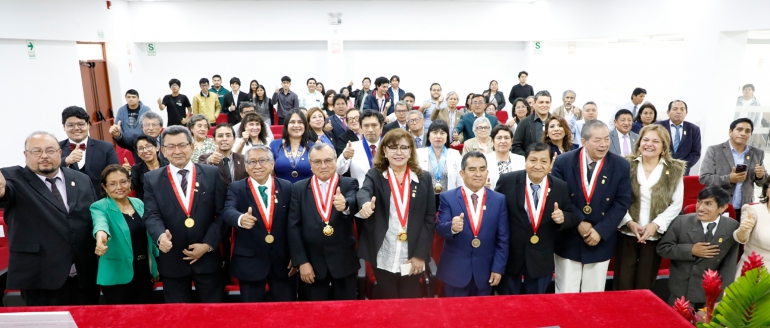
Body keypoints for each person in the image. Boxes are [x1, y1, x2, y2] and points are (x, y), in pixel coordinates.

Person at [0, 131, 100, 306]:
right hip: (41, 278)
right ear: (25, 154)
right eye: (36, 151)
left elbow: (93, 215)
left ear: (60, 153)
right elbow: (5, 193)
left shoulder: (81, 179)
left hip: (85, 277)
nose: (44, 156)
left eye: (50, 150)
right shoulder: (13, 178)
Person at [143, 126, 226, 303]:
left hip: (207, 259)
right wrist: (160, 236)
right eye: (171, 146)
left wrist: (207, 245)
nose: (177, 151)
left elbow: (222, 214)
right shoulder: (152, 178)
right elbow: (151, 215)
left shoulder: (211, 174)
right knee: (178, 315)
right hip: (173, 259)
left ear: (192, 146)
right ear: (163, 150)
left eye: (182, 145)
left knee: (213, 313)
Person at [551, 120, 632, 293]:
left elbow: (622, 202)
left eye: (606, 139)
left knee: (593, 295)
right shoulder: (564, 162)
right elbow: (559, 197)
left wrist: (600, 231)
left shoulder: (621, 165)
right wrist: (579, 222)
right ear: (584, 141)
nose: (603, 144)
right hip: (569, 236)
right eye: (597, 140)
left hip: (600, 238)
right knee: (566, 292)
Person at [357, 129, 436, 299]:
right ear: (384, 151)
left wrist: (420, 255)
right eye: (393, 147)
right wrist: (365, 204)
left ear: (411, 151)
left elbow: (429, 219)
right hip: (383, 251)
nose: (398, 152)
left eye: (404, 147)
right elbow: (364, 192)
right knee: (387, 298)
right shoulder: (375, 175)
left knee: (410, 298)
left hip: (412, 252)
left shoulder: (424, 178)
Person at [219, 145, 297, 302]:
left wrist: (296, 256)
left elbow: (294, 223)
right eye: (252, 162)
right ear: (246, 166)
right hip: (250, 262)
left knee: (286, 310)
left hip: (283, 261)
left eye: (262, 160)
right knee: (251, 312)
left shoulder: (287, 187)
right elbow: (227, 210)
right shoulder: (236, 188)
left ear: (272, 164)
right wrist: (241, 219)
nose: (257, 166)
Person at [496, 142, 574, 294]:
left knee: (536, 304)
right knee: (508, 303)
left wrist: (562, 217)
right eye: (533, 160)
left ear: (551, 163)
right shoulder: (507, 181)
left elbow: (571, 214)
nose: (538, 166)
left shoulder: (560, 187)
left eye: (543, 161)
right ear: (525, 161)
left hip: (541, 258)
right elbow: (496, 212)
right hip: (511, 256)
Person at [614, 124, 685, 291]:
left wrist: (655, 225)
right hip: (627, 232)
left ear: (664, 146)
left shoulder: (674, 169)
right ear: (639, 142)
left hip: (655, 235)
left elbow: (676, 204)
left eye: (655, 141)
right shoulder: (625, 164)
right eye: (645, 140)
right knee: (622, 280)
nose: (649, 144)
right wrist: (629, 222)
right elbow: (615, 197)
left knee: (645, 283)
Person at [287, 143, 360, 300]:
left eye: (328, 160)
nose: (323, 166)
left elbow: (354, 200)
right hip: (311, 264)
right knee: (314, 312)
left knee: (347, 311)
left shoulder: (349, 183)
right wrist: (302, 262)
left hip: (343, 262)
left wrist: (345, 205)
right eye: (317, 161)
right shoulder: (298, 188)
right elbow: (293, 227)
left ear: (336, 160)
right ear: (310, 164)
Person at [436, 151, 509, 296]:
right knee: (455, 310)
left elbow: (503, 239)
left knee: (483, 311)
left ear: (487, 172)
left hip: (486, 272)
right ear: (462, 173)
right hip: (455, 272)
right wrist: (452, 227)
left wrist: (498, 268)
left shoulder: (499, 200)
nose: (478, 174)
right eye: (472, 169)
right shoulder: (448, 197)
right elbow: (440, 228)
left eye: (482, 169)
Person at [657, 186, 740, 307]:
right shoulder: (680, 222)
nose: (700, 208)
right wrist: (691, 250)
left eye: (708, 204)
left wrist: (721, 295)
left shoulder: (732, 227)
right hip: (681, 291)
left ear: (722, 208)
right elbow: (663, 248)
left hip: (711, 293)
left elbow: (729, 265)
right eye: (699, 202)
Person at [91, 164, 159, 304]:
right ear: (104, 187)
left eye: (123, 181)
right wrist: (101, 239)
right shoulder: (99, 206)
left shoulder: (139, 203)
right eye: (112, 184)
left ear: (129, 182)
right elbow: (100, 225)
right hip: (117, 276)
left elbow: (149, 237)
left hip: (144, 272)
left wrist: (154, 268)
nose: (119, 187)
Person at [699, 118, 767, 220]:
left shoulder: (757, 153)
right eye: (739, 129)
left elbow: (763, 183)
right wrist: (729, 179)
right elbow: (704, 178)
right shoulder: (714, 150)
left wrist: (760, 176)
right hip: (718, 206)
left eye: (747, 131)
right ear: (730, 132)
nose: (743, 133)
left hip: (744, 208)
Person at [59, 106, 118, 198]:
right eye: (70, 125)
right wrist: (65, 161)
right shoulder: (56, 148)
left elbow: (115, 174)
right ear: (64, 127)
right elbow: (46, 171)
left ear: (88, 125)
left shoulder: (106, 147)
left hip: (100, 200)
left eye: (81, 124)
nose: (76, 128)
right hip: (68, 202)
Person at [416, 120, 463, 201]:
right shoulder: (418, 154)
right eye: (435, 133)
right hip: (425, 200)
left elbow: (460, 181)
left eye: (442, 133)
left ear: (447, 137)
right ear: (428, 136)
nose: (438, 136)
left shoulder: (455, 154)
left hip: (449, 200)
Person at [337, 110, 384, 186]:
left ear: (381, 126)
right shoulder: (352, 147)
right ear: (361, 128)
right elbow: (339, 171)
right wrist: (344, 157)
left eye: (374, 125)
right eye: (366, 126)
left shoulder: (389, 146)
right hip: (361, 190)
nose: (370, 130)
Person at [734, 183, 770, 281]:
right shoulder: (753, 210)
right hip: (753, 271)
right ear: (767, 192)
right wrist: (743, 230)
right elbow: (741, 237)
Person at [656, 100, 701, 175]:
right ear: (668, 112)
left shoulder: (694, 129)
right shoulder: (658, 126)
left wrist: (680, 166)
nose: (679, 112)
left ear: (686, 113)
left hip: (681, 172)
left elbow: (696, 153)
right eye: (675, 109)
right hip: (659, 170)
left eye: (682, 109)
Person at [270, 109, 314, 183]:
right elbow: (269, 174)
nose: (296, 125)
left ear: (305, 126)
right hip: (281, 188)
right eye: (292, 122)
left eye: (300, 122)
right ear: (286, 125)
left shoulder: (313, 147)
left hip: (308, 189)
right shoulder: (274, 145)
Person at [199, 123, 248, 188]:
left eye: (228, 135)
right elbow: (198, 174)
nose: (224, 139)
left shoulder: (243, 159)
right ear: (214, 140)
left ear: (234, 139)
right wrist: (208, 161)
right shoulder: (205, 158)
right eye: (220, 136)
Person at [512, 90, 552, 155]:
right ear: (534, 104)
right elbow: (516, 147)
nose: (544, 105)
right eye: (541, 102)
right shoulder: (524, 122)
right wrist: (530, 158)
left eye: (547, 102)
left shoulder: (556, 122)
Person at [486, 125, 525, 189]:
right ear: (492, 141)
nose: (503, 141)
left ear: (512, 141)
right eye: (499, 138)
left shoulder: (521, 160)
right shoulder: (485, 159)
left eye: (506, 138)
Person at [130, 135, 168, 201]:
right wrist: (125, 174)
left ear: (157, 148)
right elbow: (131, 186)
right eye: (141, 148)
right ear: (138, 153)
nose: (145, 151)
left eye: (148, 147)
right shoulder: (136, 169)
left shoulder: (168, 166)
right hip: (146, 205)